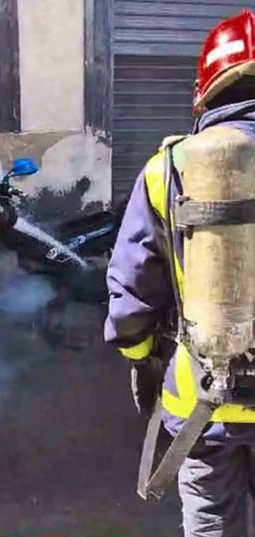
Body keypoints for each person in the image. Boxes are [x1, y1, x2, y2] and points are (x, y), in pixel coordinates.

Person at [105, 10, 255, 535]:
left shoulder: (165, 168)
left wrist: (140, 360)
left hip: (203, 407)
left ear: (204, 91)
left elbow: (130, 296)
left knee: (211, 523)